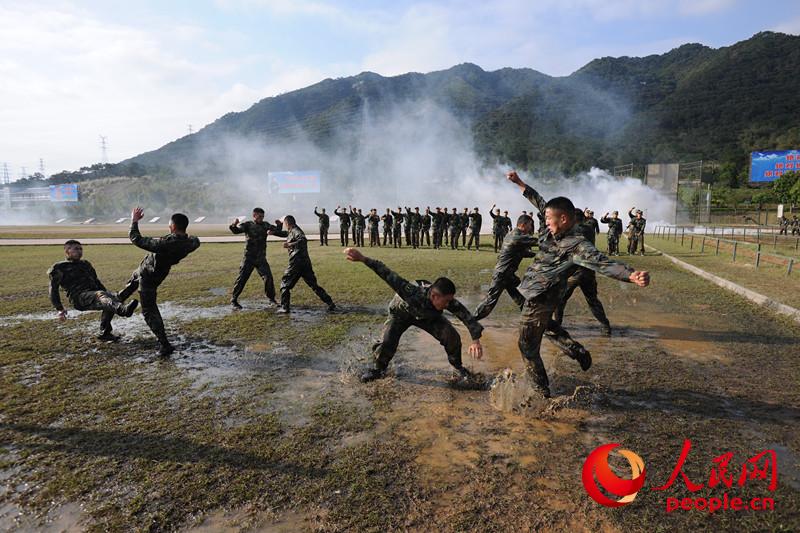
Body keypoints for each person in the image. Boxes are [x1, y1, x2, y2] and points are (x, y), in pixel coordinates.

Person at [506, 171, 650, 398]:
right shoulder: (551, 227)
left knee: (527, 346)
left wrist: (631, 275)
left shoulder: (577, 244)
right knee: (546, 326)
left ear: (563, 219)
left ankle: (542, 394)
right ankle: (576, 350)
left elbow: (602, 262)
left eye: (549, 219)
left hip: (541, 297)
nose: (545, 222)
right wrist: (519, 183)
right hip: (536, 294)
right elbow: (539, 200)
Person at [344, 247, 483, 384]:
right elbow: (386, 273)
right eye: (446, 301)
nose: (448, 304)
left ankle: (458, 368)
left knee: (451, 336)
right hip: (401, 314)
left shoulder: (446, 300)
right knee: (388, 342)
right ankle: (379, 369)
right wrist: (362, 258)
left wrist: (475, 341)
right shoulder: (412, 293)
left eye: (449, 300)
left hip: (427, 317)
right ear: (434, 296)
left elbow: (466, 316)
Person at [117, 208, 201, 357]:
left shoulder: (166, 243)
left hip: (148, 276)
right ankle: (106, 325)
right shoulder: (191, 243)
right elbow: (195, 240)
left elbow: (136, 238)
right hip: (149, 272)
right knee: (123, 293)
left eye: (169, 224)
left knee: (149, 310)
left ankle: (165, 344)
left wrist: (134, 221)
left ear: (173, 226)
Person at [48, 240, 138, 340]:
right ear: (67, 251)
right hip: (79, 298)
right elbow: (53, 289)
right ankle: (122, 310)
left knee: (114, 298)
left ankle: (105, 333)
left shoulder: (85, 264)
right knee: (103, 296)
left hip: (95, 294)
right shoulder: (59, 267)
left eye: (80, 249)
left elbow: (96, 281)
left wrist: (108, 294)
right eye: (76, 249)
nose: (79, 251)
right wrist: (59, 308)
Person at [553, 209, 612, 336]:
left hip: (573, 271)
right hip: (589, 270)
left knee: (560, 300)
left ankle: (556, 326)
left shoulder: (570, 230)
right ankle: (605, 326)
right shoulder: (589, 229)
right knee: (592, 300)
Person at [473, 215, 535, 319]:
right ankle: (471, 320)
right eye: (529, 225)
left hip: (509, 275)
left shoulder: (513, 235)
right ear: (523, 225)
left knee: (522, 299)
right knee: (489, 302)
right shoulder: (517, 236)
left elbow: (522, 253)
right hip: (502, 275)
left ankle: (532, 321)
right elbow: (537, 242)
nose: (530, 228)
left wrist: (536, 255)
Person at [271, 215, 335, 314]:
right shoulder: (292, 230)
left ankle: (284, 307)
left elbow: (303, 240)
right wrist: (274, 232)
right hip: (304, 263)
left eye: (284, 224)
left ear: (287, 223)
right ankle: (330, 303)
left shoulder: (296, 231)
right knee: (313, 285)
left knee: (285, 284)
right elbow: (284, 233)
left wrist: (289, 244)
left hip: (296, 262)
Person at [229, 208, 280, 309]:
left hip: (261, 258)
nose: (261, 218)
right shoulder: (248, 225)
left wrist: (279, 225)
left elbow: (277, 231)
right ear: (254, 216)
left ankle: (272, 300)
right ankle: (234, 300)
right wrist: (234, 224)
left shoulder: (265, 225)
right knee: (242, 279)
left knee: (268, 278)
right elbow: (236, 231)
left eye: (262, 216)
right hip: (249, 258)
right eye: (259, 216)